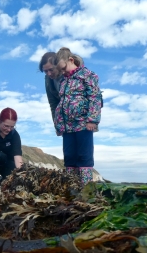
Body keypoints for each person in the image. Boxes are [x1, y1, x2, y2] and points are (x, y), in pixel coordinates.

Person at [53, 47, 102, 186]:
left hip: (83, 124)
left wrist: (92, 119)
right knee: (69, 157)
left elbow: (95, 97)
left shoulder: (87, 75)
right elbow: (61, 104)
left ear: (71, 60)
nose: (63, 72)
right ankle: (71, 188)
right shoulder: (63, 81)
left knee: (84, 156)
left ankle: (86, 188)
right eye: (60, 71)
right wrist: (59, 125)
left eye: (63, 68)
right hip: (67, 127)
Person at [39, 52, 84, 122]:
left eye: (51, 69)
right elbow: (53, 103)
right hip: (65, 122)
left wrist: (91, 120)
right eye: (45, 71)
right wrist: (56, 124)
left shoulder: (75, 74)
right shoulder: (48, 80)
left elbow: (92, 96)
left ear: (58, 65)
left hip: (82, 119)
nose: (49, 74)